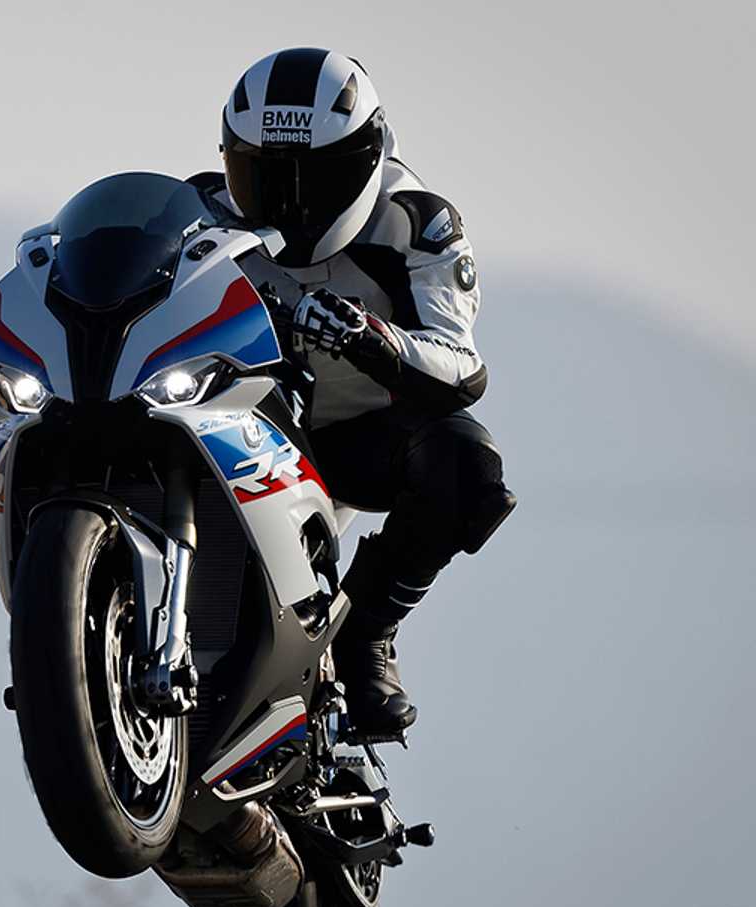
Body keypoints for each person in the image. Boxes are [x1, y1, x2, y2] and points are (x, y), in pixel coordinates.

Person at [192, 47, 516, 742]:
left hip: (351, 442)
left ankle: (366, 631)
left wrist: (376, 339)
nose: (290, 203)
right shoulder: (195, 213)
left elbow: (462, 365)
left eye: (319, 177)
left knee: (466, 463)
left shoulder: (416, 223)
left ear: (371, 156)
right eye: (263, 176)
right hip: (224, 430)